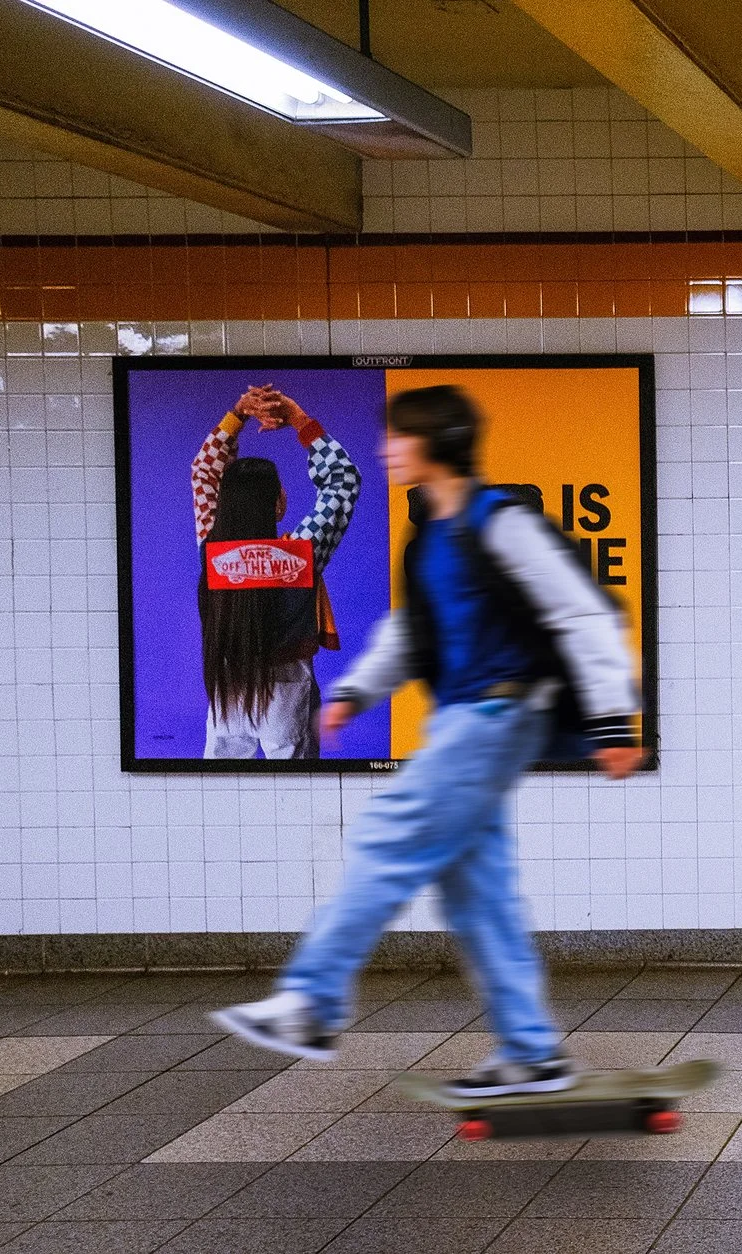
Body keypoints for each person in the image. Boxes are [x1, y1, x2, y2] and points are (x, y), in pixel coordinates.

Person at [211, 384, 643, 1098]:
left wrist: (610, 724)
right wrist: (357, 691)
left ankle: (310, 1003)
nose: (388, 447)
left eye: (400, 436)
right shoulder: (432, 539)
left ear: (435, 444)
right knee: (479, 893)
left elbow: (582, 615)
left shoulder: (501, 523)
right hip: (468, 717)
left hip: (501, 712)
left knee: (388, 834)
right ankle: (531, 1051)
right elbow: (415, 632)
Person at [192, 385, 359, 759]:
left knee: (218, 781)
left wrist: (238, 414)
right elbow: (343, 480)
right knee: (297, 782)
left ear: (225, 504)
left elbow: (204, 472)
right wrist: (299, 420)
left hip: (226, 679)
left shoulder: (211, 547)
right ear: (278, 503)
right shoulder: (304, 550)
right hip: (287, 684)